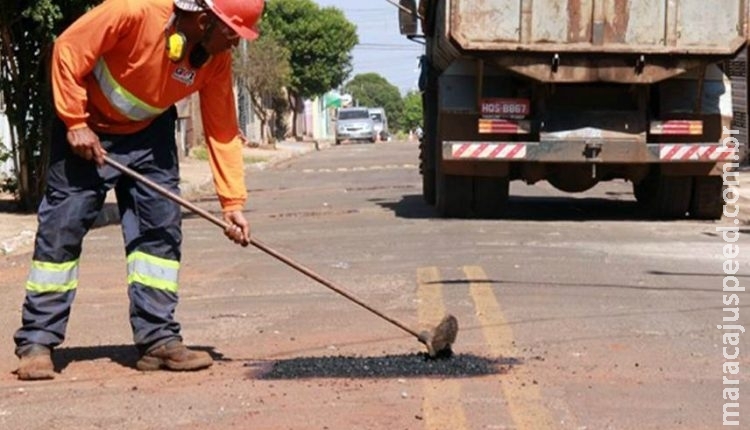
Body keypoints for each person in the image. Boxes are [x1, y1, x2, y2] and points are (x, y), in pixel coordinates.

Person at [13, 0, 263, 380]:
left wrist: (232, 203)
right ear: (202, 19)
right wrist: (75, 121)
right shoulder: (133, 10)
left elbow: (223, 128)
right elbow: (68, 48)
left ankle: (158, 340)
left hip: (149, 135)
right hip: (87, 130)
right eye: (231, 33)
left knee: (159, 235)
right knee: (60, 234)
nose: (233, 44)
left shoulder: (214, 59)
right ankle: (37, 342)